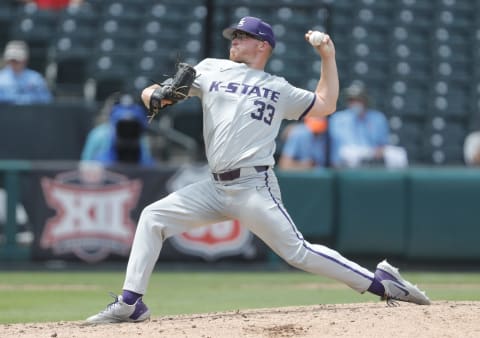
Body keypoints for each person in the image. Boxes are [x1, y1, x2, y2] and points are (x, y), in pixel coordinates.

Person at [86, 16, 430, 324]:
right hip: (215, 187)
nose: (234, 40)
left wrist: (328, 56)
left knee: (298, 252)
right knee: (153, 217)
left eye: (242, 35)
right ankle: (131, 303)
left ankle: (381, 282)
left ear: (262, 45)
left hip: (253, 186)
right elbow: (150, 92)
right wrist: (156, 93)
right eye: (233, 35)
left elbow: (326, 104)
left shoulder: (278, 88)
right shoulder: (211, 68)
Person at [328, 82, 390, 168]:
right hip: (345, 164)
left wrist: (377, 151)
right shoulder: (337, 119)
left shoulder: (378, 118)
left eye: (358, 99)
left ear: (365, 100)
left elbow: (383, 145)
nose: (355, 103)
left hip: (371, 163)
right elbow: (336, 148)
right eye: (352, 100)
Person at [81, 94, 155, 166]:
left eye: (133, 127)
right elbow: (86, 164)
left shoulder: (142, 140)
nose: (128, 130)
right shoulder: (98, 134)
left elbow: (147, 165)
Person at [0, 40, 53, 105]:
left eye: (17, 60)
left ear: (25, 60)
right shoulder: (1, 78)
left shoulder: (36, 79)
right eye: (11, 60)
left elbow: (46, 99)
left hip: (32, 114)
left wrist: (26, 99)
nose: (13, 63)